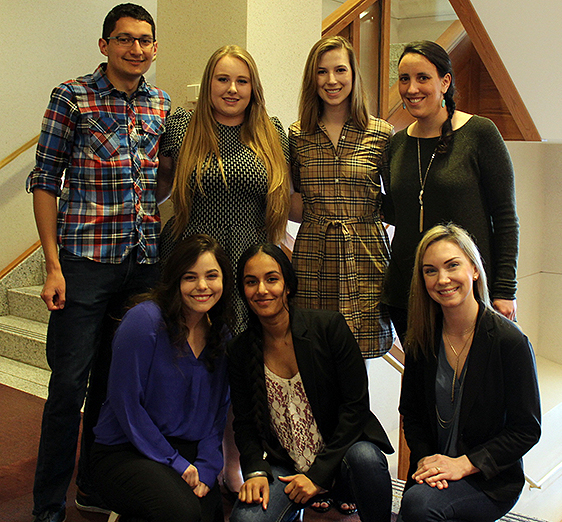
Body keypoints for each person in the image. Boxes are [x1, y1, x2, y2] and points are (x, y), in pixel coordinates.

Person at [25, 4, 170, 521]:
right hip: (84, 263)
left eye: (145, 40)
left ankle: (92, 485)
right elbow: (44, 182)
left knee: (116, 385)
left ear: (154, 48)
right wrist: (52, 265)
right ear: (105, 44)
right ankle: (47, 506)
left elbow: (161, 180)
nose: (136, 49)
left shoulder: (161, 104)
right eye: (125, 39)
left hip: (142, 263)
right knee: (68, 386)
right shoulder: (72, 96)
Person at [228, 243, 394, 522]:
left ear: (288, 285)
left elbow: (355, 408)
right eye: (251, 282)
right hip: (286, 468)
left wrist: (318, 475)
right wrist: (255, 470)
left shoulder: (329, 328)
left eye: (272, 279)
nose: (262, 290)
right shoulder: (240, 351)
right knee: (246, 520)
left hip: (341, 459)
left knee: (365, 458)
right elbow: (244, 424)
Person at [398, 223, 540, 522]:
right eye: (430, 270)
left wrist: (464, 464)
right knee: (419, 502)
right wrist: (426, 460)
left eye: (452, 265)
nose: (443, 279)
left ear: (474, 270)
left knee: (419, 507)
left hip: (488, 479)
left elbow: (526, 429)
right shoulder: (420, 338)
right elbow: (410, 413)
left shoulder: (510, 341)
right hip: (435, 469)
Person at [381, 40, 519, 342]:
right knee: (422, 387)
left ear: (445, 82)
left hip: (464, 291)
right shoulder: (396, 144)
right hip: (408, 295)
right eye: (404, 79)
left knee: (471, 387)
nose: (411, 88)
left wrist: (505, 289)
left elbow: (506, 218)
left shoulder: (480, 133)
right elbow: (393, 211)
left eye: (423, 78)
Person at [91, 234, 232, 522]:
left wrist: (206, 465)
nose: (202, 286)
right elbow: (126, 403)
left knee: (206, 514)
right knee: (180, 513)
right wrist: (176, 463)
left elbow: (217, 414)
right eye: (190, 277)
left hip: (186, 451)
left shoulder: (222, 336)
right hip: (126, 449)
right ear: (175, 280)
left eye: (211, 276)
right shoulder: (144, 321)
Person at [159, 44, 290, 334]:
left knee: (242, 352)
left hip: (250, 257)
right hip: (190, 253)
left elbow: (290, 198)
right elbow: (160, 184)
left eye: (242, 81)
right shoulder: (182, 126)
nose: (232, 89)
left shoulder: (273, 133)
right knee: (186, 342)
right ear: (208, 84)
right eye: (223, 79)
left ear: (253, 88)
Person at [289, 36, 394, 359]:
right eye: (322, 72)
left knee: (359, 357)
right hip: (313, 254)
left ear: (353, 75)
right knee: (316, 353)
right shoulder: (297, 135)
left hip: (365, 254)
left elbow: (396, 202)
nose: (331, 80)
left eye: (340, 70)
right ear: (312, 78)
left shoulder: (381, 133)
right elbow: (292, 200)